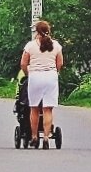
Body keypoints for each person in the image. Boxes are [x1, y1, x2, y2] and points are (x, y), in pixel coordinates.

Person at [20, 20, 63, 149]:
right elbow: (60, 63)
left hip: (35, 77)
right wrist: (54, 72)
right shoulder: (56, 45)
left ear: (37, 32)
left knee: (34, 108)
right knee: (47, 109)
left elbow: (23, 63)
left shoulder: (30, 46)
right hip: (50, 77)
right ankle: (45, 137)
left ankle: (34, 137)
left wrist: (28, 73)